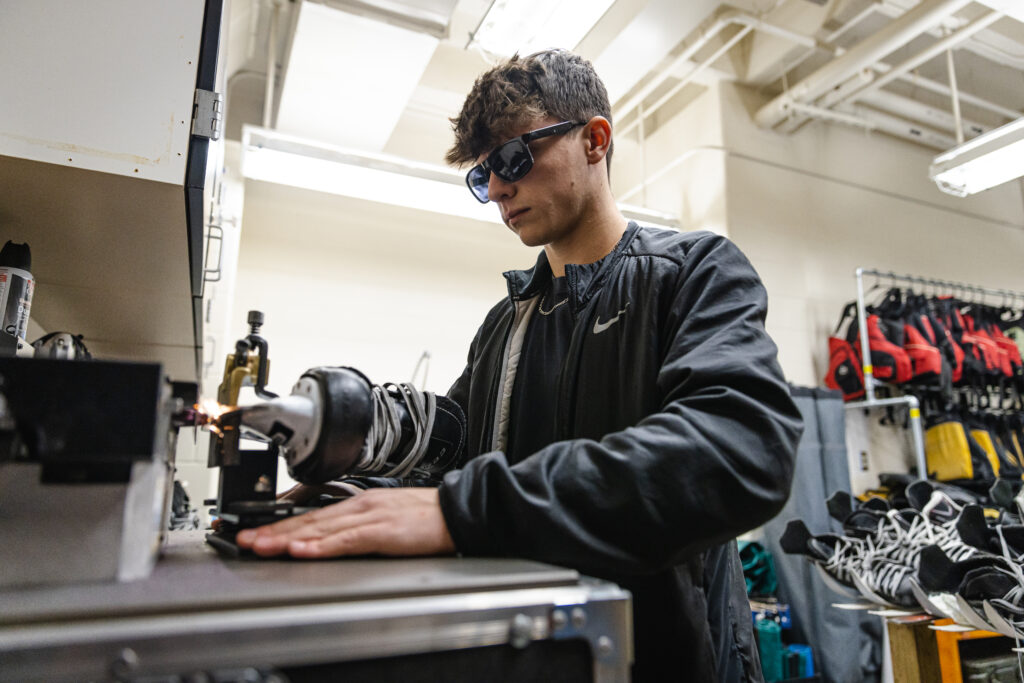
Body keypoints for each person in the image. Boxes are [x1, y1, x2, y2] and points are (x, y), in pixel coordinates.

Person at [236, 49, 803, 681]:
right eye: (484, 177)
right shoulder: (507, 321)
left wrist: (464, 512)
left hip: (666, 657)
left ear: (595, 140)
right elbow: (460, 450)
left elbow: (738, 452)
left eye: (512, 158)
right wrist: (354, 487)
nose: (499, 190)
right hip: (532, 654)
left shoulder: (693, 273)